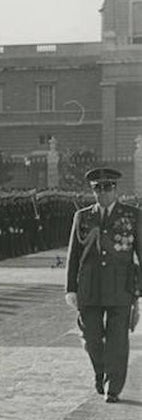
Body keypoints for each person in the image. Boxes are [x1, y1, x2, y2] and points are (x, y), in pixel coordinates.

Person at [65, 168, 142, 403]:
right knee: (91, 338)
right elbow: (73, 255)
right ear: (92, 191)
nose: (102, 193)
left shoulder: (132, 215)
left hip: (121, 286)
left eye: (107, 188)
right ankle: (101, 372)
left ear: (116, 189)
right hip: (90, 286)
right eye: (97, 188)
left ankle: (114, 386)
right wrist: (71, 288)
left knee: (118, 339)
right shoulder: (83, 216)